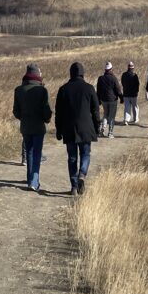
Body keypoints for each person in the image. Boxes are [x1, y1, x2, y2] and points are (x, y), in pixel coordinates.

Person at [55, 62, 101, 195]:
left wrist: (58, 130)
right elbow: (96, 110)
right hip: (86, 128)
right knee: (86, 154)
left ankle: (74, 187)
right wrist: (97, 127)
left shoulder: (63, 89)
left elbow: (59, 112)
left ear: (71, 73)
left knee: (72, 158)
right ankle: (82, 174)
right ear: (82, 73)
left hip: (69, 129)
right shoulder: (89, 88)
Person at [13, 63, 52, 192]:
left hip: (25, 126)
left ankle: (30, 178)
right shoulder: (42, 90)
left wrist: (23, 118)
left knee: (28, 152)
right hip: (38, 127)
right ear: (37, 74)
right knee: (37, 154)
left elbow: (16, 111)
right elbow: (47, 110)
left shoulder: (18, 90)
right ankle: (34, 182)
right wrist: (46, 119)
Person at [96, 62, 123, 138]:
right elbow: (118, 89)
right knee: (111, 116)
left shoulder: (100, 78)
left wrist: (98, 100)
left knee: (105, 114)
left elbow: (98, 90)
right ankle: (110, 133)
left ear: (105, 69)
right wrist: (121, 98)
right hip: (112, 100)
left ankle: (102, 130)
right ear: (111, 69)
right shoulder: (113, 78)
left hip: (103, 100)